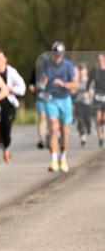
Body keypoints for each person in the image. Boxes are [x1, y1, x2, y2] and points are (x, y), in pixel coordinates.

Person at [39, 42, 79, 172]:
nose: (57, 57)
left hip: (65, 99)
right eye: (55, 54)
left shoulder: (68, 65)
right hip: (51, 100)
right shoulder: (47, 65)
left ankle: (63, 157)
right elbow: (42, 81)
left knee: (65, 130)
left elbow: (75, 84)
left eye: (60, 55)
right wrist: (42, 82)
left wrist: (64, 84)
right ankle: (53, 158)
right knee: (53, 128)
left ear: (63, 54)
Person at [0, 50, 26, 163]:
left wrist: (10, 89)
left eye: (1, 58)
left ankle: (6, 147)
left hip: (8, 104)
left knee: (6, 129)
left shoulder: (11, 72)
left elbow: (22, 89)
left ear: (5, 59)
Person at [75, 64, 93, 146]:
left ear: (86, 71)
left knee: (87, 120)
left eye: (84, 70)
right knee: (80, 120)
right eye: (81, 70)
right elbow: (73, 91)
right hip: (78, 103)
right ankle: (83, 138)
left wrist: (89, 94)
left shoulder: (90, 81)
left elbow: (93, 91)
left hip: (88, 103)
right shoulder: (76, 81)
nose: (82, 72)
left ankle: (88, 128)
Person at [92, 52, 105, 147]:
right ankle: (100, 138)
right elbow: (89, 81)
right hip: (97, 94)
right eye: (98, 59)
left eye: (101, 58)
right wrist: (88, 90)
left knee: (103, 118)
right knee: (97, 117)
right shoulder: (95, 70)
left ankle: (103, 125)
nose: (100, 60)